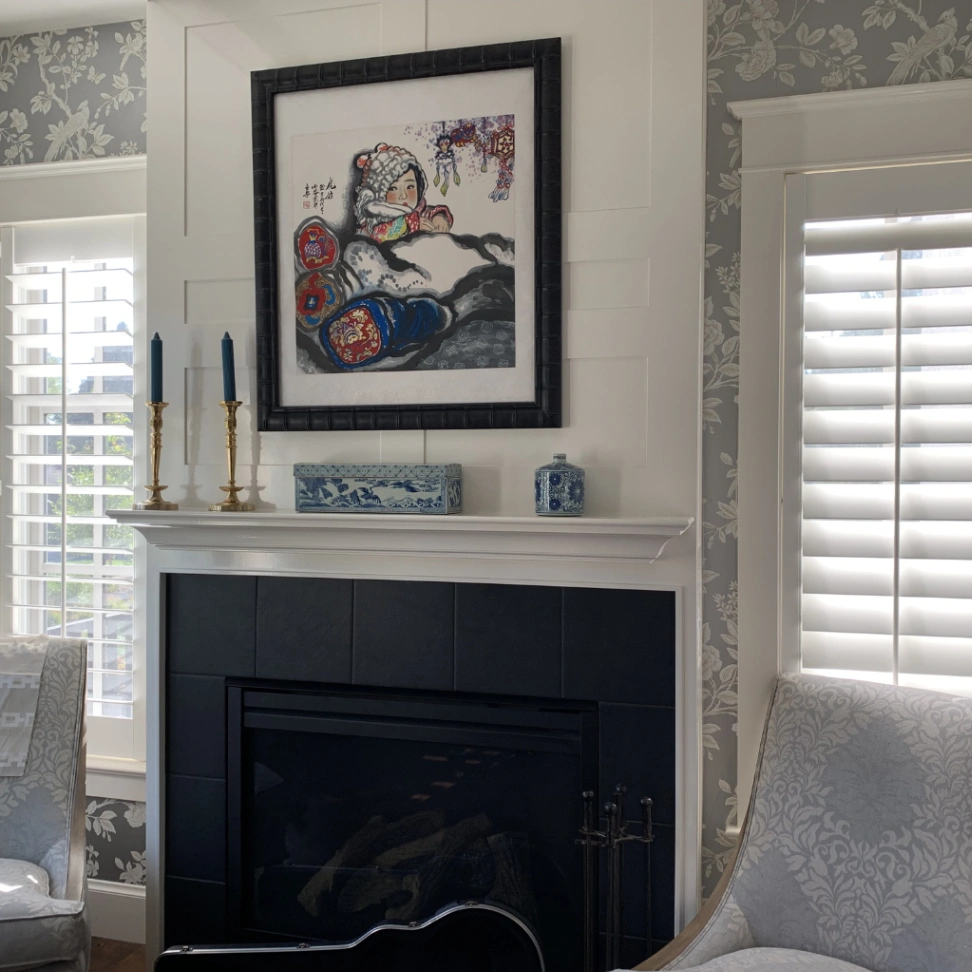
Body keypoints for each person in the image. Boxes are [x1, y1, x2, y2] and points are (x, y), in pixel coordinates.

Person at [354, 143, 453, 243]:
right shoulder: (374, 219)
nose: (403, 195)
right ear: (379, 194)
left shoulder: (419, 210)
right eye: (393, 188)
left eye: (410, 187)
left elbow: (429, 212)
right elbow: (377, 236)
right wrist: (411, 224)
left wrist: (439, 217)